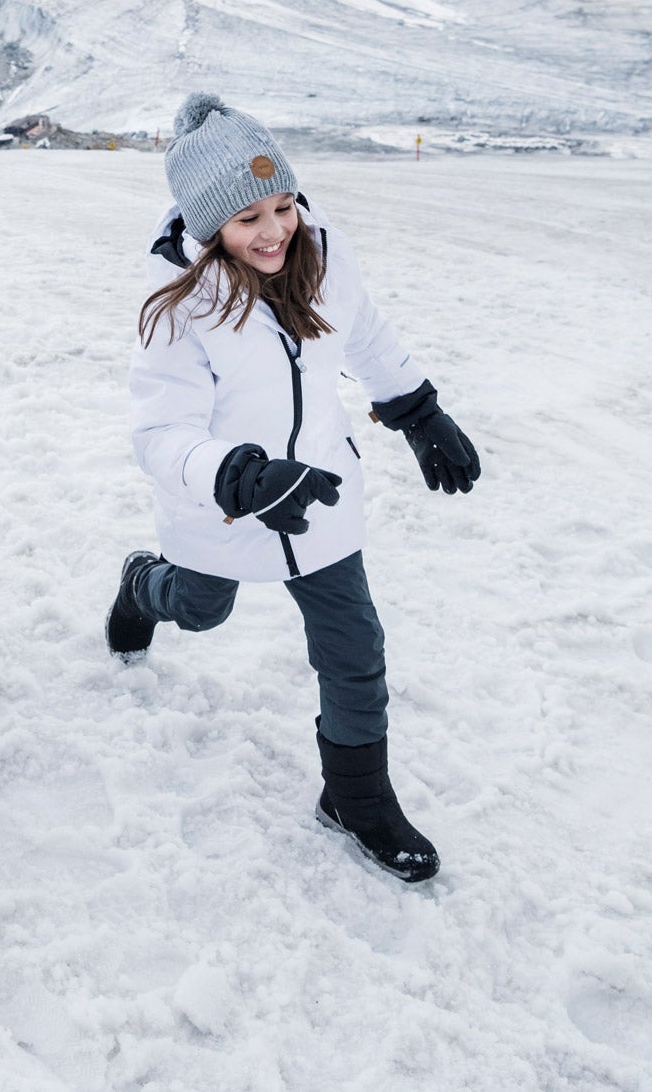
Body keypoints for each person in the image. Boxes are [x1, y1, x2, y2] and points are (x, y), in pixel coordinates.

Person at [106, 93, 483, 884]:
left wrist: (418, 411)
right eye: (248, 219)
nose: (275, 229)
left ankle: (355, 796)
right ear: (208, 229)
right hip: (221, 502)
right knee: (203, 609)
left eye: (283, 204)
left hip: (316, 492)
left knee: (354, 648)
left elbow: (368, 336)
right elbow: (159, 433)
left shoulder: (324, 255)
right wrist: (236, 475)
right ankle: (143, 585)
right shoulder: (178, 306)